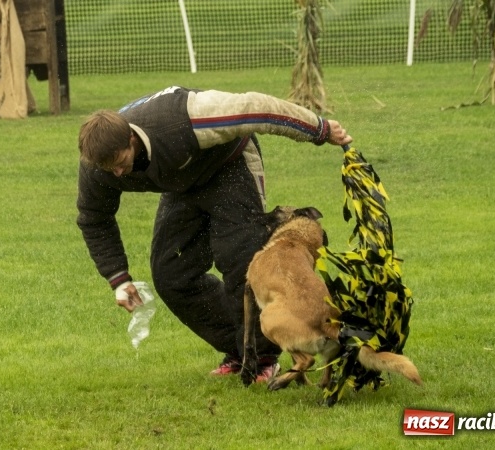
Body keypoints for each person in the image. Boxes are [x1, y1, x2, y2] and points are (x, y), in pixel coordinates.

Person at [76, 86, 352, 382]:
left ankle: (261, 359)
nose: (117, 174)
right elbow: (94, 219)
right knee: (172, 276)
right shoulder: (98, 166)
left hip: (229, 166)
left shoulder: (184, 118)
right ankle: (238, 350)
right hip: (182, 185)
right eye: (109, 169)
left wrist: (319, 129)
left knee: (241, 263)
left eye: (121, 162)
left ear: (131, 138)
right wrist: (118, 278)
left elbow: (256, 107)